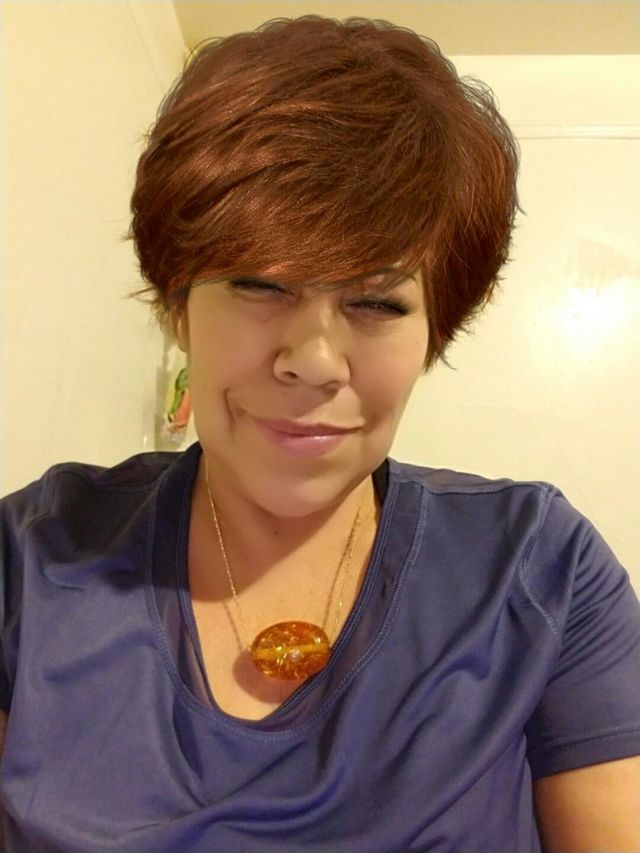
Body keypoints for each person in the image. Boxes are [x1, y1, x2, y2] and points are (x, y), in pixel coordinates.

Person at [1, 15, 639, 853]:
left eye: (376, 301)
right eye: (259, 284)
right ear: (177, 305)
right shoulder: (34, 558)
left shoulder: (542, 570)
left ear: (434, 332)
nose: (312, 360)